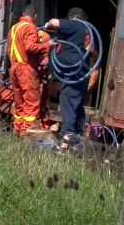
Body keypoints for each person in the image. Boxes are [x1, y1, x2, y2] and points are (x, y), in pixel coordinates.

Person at [44, 7, 94, 145]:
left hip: (74, 72)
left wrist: (48, 24)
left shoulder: (76, 24)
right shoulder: (86, 30)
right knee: (77, 103)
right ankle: (79, 134)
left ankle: (67, 134)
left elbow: (54, 22)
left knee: (67, 100)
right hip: (81, 71)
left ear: (72, 17)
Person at [7, 3, 52, 135]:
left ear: (23, 14)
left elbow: (9, 49)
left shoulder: (14, 28)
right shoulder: (30, 27)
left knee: (19, 102)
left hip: (14, 67)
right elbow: (30, 47)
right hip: (26, 69)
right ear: (35, 16)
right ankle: (27, 133)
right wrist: (47, 44)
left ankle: (17, 129)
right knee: (31, 102)